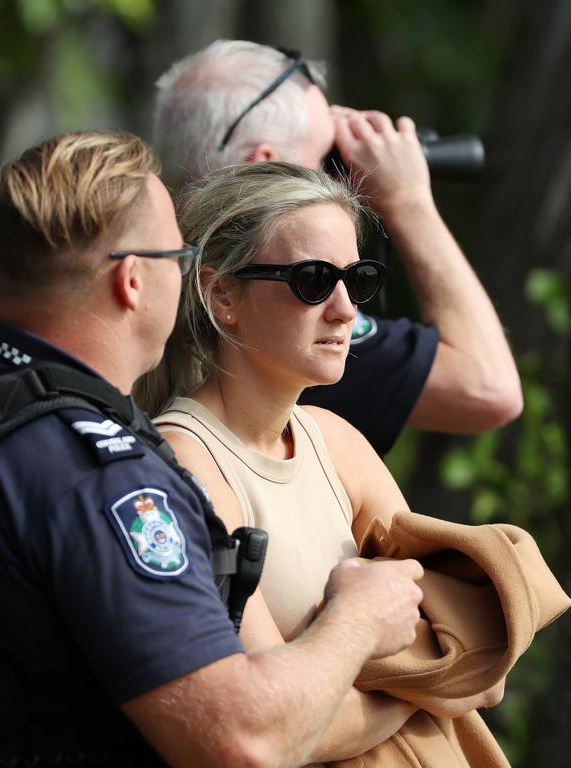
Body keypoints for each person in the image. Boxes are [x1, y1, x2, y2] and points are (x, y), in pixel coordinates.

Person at [0, 131, 428, 768]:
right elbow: (241, 743)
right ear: (132, 280)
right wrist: (359, 621)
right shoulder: (103, 479)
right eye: (178, 261)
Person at [136, 161, 505, 764]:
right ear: (221, 295)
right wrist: (425, 688)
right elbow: (270, 731)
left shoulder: (337, 442)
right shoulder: (183, 464)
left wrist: (343, 680)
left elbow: (484, 670)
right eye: (312, 280)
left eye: (356, 279)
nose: (344, 309)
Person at [153, 40, 523, 455]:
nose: (343, 308)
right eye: (326, 157)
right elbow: (490, 388)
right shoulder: (286, 321)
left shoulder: (141, 275)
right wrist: (408, 201)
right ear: (265, 166)